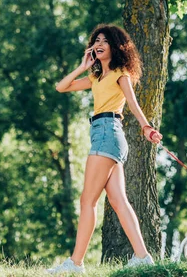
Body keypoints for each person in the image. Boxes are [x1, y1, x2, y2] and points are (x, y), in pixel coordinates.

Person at [47, 24, 163, 274]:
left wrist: (146, 128)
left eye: (105, 41)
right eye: (96, 40)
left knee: (87, 200)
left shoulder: (121, 73)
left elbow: (132, 103)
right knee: (118, 200)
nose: (99, 44)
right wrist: (83, 66)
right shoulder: (96, 77)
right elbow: (61, 87)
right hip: (105, 134)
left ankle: (75, 264)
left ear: (115, 46)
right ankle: (143, 257)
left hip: (107, 132)